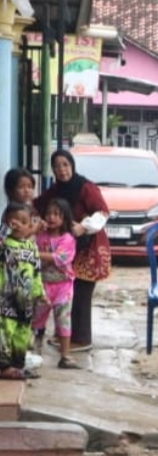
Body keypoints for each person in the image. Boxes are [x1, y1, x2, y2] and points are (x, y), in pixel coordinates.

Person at [35, 149, 111, 353]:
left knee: (82, 292)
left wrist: (83, 227)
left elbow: (103, 212)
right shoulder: (56, 190)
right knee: (68, 292)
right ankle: (68, 334)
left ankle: (82, 337)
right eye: (57, 166)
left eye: (65, 165)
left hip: (89, 246)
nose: (61, 170)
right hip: (68, 247)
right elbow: (38, 205)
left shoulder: (86, 188)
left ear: (72, 165)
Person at [32, 198, 79, 369]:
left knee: (63, 320)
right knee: (37, 319)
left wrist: (38, 254)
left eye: (56, 214)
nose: (51, 217)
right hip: (42, 284)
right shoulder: (40, 236)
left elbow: (60, 258)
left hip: (63, 286)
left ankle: (65, 355)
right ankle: (34, 350)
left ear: (64, 218)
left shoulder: (68, 238)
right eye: (49, 214)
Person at [0, 203, 44, 380]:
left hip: (25, 301)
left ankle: (18, 363)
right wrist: (4, 230)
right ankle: (3, 366)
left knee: (22, 332)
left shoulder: (31, 247)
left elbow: (36, 271)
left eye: (24, 222)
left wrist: (39, 292)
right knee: (5, 331)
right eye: (14, 221)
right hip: (5, 298)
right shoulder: (4, 245)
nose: (19, 224)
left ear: (30, 226)